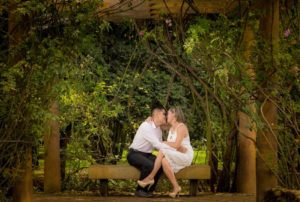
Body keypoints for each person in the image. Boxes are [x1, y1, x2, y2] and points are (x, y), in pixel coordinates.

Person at [127, 106, 187, 198]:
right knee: (149, 165)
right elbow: (158, 144)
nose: (165, 116)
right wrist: (176, 149)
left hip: (147, 154)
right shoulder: (146, 126)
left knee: (160, 164)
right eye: (164, 114)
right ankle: (140, 190)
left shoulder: (158, 129)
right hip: (134, 154)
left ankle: (149, 191)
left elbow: (160, 148)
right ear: (157, 115)